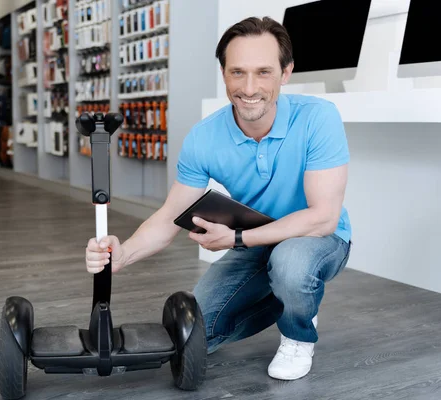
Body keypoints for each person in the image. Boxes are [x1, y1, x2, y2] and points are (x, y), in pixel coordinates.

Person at [84, 16, 352, 381]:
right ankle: (294, 300)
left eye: (263, 72)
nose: (250, 87)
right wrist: (122, 253)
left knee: (292, 263)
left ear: (285, 73)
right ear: (224, 73)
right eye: (237, 72)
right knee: (193, 333)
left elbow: (323, 218)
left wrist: (236, 238)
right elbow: (169, 216)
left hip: (319, 240)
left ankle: (297, 332)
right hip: (257, 242)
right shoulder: (204, 137)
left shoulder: (318, 118)